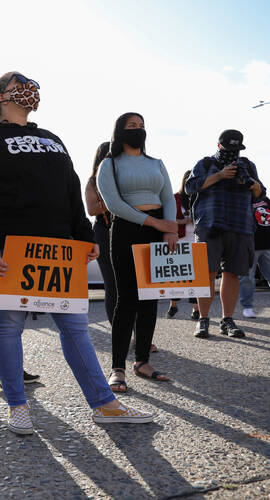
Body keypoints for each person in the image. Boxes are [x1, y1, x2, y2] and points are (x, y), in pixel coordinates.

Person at [0, 71, 153, 435]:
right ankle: (18, 405)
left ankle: (105, 404)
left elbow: (70, 190)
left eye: (32, 85)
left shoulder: (51, 139)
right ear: (2, 96)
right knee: (9, 326)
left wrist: (83, 235)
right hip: (11, 249)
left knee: (75, 327)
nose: (31, 90)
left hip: (59, 249)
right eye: (21, 85)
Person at [97, 112, 176, 392]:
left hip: (157, 232)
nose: (138, 130)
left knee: (150, 299)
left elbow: (167, 197)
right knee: (126, 298)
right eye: (132, 126)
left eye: (142, 126)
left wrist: (169, 230)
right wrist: (156, 222)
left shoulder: (157, 163)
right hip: (126, 231)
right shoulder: (110, 164)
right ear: (119, 131)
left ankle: (142, 361)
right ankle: (117, 367)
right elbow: (113, 204)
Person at [184, 129, 264, 338]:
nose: (232, 153)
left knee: (232, 273)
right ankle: (203, 320)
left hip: (240, 225)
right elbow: (190, 187)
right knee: (206, 274)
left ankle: (227, 320)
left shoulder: (247, 165)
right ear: (219, 146)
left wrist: (250, 183)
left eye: (236, 149)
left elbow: (259, 193)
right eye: (229, 149)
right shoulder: (205, 163)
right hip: (209, 226)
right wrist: (219, 175)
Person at [85, 142, 116, 323]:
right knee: (112, 285)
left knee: (133, 286)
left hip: (128, 231)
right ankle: (120, 334)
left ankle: (139, 336)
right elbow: (91, 209)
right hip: (105, 232)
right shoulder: (92, 182)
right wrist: (114, 200)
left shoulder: (126, 177)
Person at [166, 171, 199, 320]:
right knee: (178, 276)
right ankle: (173, 306)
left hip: (197, 241)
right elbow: (167, 219)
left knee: (195, 278)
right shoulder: (175, 198)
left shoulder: (199, 197)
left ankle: (196, 309)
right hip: (180, 241)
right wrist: (182, 221)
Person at [238, 195, 270, 318]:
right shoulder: (240, 198)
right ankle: (248, 307)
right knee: (247, 278)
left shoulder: (265, 199)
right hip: (248, 246)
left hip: (267, 245)